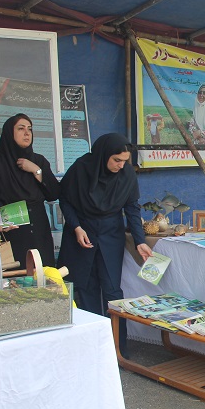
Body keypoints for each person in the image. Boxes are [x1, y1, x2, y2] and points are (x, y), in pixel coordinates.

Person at [58, 133, 152, 317]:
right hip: (82, 233)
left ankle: (117, 336)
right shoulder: (81, 169)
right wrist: (76, 227)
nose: (121, 165)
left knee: (112, 290)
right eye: (117, 160)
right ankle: (93, 335)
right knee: (86, 288)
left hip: (110, 234)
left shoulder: (126, 174)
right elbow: (65, 200)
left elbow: (132, 208)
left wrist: (139, 241)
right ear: (104, 154)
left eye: (124, 161)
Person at [0, 113, 61, 267]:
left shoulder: (38, 161)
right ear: (9, 133)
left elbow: (54, 193)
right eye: (21, 128)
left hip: (39, 229)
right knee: (16, 274)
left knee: (43, 272)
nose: (27, 133)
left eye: (30, 129)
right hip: (12, 230)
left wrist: (36, 171)